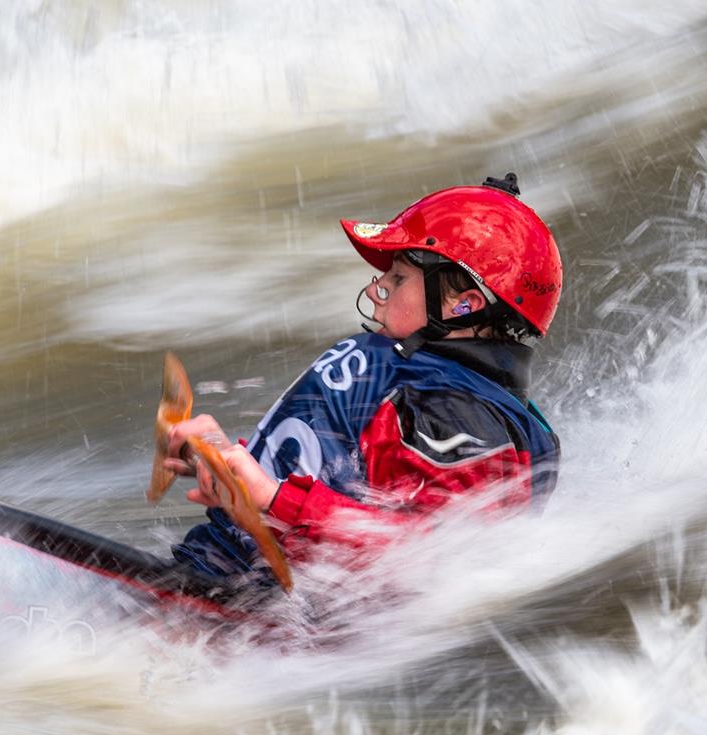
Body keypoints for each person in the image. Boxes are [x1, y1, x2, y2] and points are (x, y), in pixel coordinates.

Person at [164, 173, 563, 578]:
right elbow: (330, 471)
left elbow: (443, 563)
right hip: (224, 582)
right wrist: (218, 457)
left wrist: (273, 499)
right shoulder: (411, 372)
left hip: (266, 620)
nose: (376, 290)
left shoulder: (453, 411)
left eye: (399, 278)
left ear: (464, 305)